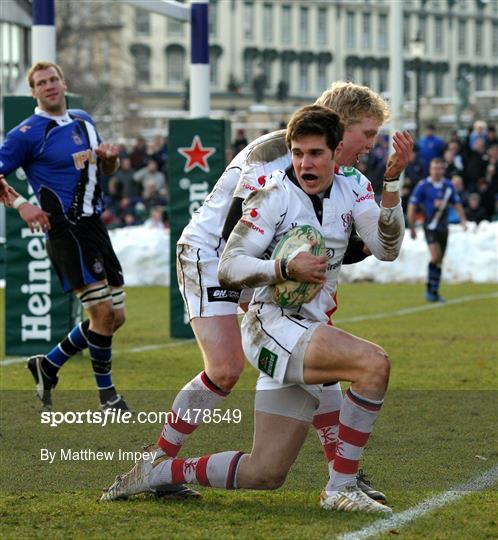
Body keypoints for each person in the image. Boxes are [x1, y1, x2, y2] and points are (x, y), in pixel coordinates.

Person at [102, 105, 411, 513]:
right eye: (298, 153)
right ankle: (342, 483)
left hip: (301, 323)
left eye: (315, 153)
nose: (304, 162)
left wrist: (391, 182)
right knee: (369, 364)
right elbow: (229, 263)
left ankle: (159, 472)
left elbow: (386, 249)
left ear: (335, 151)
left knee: (264, 473)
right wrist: (281, 268)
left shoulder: (355, 186)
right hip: (257, 309)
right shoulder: (273, 188)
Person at [0, 61, 129, 411]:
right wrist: (22, 204)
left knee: (116, 318)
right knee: (102, 315)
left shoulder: (83, 119)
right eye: (41, 82)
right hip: (64, 231)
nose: (49, 86)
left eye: (53, 79)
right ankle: (108, 397)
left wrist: (109, 160)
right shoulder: (26, 133)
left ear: (63, 82)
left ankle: (48, 364)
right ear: (34, 92)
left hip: (94, 226)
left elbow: (105, 167)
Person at [407, 157, 468, 303]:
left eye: (440, 168)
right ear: (430, 169)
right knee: (435, 256)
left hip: (443, 227)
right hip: (430, 226)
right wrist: (412, 226)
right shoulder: (423, 186)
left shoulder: (448, 186)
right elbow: (412, 205)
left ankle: (434, 291)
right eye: (434, 168)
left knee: (440, 260)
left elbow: (457, 203)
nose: (436, 171)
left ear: (443, 169)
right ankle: (430, 289)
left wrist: (463, 220)